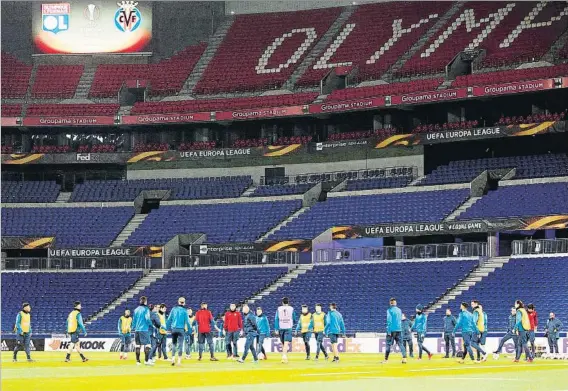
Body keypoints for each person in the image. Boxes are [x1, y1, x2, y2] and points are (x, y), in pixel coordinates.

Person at [166, 297, 190, 366]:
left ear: (178, 302)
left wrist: (167, 328)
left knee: (174, 344)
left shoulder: (174, 309)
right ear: (184, 302)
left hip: (174, 329)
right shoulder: (185, 311)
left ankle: (173, 359)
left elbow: (169, 319)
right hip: (181, 329)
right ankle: (179, 361)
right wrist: (189, 330)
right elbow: (187, 322)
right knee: (180, 345)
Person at [382, 298, 407, 364]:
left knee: (388, 345)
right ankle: (404, 358)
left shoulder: (389, 310)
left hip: (392, 329)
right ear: (395, 303)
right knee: (401, 344)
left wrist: (389, 330)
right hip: (399, 329)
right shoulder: (399, 310)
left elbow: (389, 320)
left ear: (390, 303)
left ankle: (386, 360)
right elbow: (400, 319)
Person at [274, 297, 296, 364]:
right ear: (288, 302)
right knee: (285, 342)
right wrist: (292, 323)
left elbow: (276, 319)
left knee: (284, 342)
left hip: (281, 327)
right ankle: (285, 354)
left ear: (282, 302)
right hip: (288, 327)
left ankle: (284, 356)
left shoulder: (279, 309)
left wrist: (276, 329)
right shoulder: (291, 309)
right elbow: (294, 318)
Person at [132, 296, 153, 366]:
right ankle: (146, 361)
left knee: (138, 346)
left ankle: (138, 361)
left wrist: (132, 328)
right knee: (148, 345)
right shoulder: (146, 309)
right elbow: (147, 318)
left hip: (137, 330)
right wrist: (151, 324)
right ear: (145, 301)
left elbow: (134, 321)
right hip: (144, 330)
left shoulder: (136, 310)